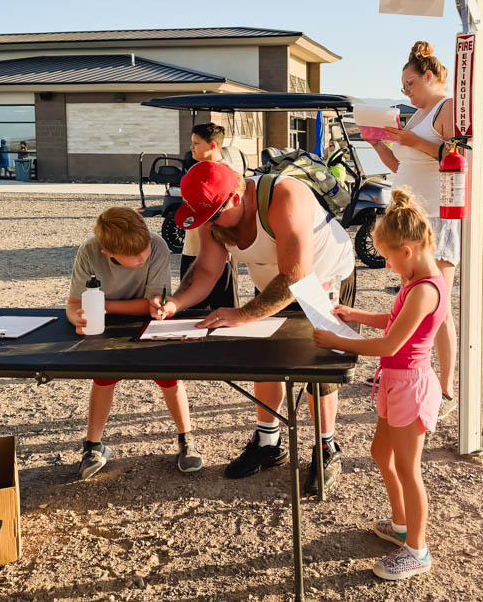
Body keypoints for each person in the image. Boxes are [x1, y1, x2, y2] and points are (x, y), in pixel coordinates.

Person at [155, 161, 355, 494]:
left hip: (322, 278)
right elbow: (207, 270)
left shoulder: (284, 196)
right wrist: (176, 302)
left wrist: (243, 314)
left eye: (213, 217)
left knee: (318, 365)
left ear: (234, 197)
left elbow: (295, 276)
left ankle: (326, 447)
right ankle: (267, 442)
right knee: (266, 359)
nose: (210, 225)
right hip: (275, 282)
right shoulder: (213, 212)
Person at [313, 188, 445, 581]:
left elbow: (390, 343)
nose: (387, 265)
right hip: (396, 382)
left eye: (387, 258)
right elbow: (393, 323)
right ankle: (402, 525)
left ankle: (417, 550)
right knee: (381, 454)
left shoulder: (424, 289)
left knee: (408, 468)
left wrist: (339, 340)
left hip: (411, 385)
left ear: (406, 250)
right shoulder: (416, 279)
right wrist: (354, 314)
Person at [66, 207, 202, 479]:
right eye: (135, 256)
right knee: (103, 378)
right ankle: (93, 445)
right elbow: (72, 304)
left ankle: (186, 438)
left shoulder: (157, 245)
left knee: (168, 377)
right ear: (109, 253)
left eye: (144, 250)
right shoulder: (90, 251)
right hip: (105, 326)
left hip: (146, 324)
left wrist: (104, 305)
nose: (144, 257)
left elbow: (151, 303)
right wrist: (78, 319)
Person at [368, 40, 459, 421]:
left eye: (410, 84)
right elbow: (399, 166)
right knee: (410, 295)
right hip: (410, 214)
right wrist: (377, 141)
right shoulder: (417, 115)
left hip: (437, 214)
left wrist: (413, 141)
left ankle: (447, 388)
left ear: (430, 76)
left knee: (438, 303)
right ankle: (412, 367)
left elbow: (458, 156)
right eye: (402, 87)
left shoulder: (446, 107)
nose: (406, 92)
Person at [179, 123, 239, 310]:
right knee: (191, 312)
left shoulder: (229, 175)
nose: (192, 147)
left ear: (213, 145)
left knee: (223, 311)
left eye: (196, 143)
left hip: (221, 253)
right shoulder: (194, 172)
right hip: (192, 248)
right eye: (192, 143)